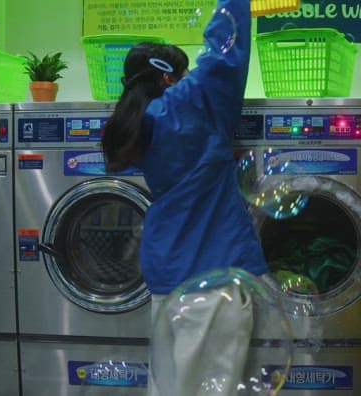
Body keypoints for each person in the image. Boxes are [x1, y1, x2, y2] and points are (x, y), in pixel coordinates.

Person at [101, 0, 267, 394]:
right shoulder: (194, 102)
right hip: (212, 276)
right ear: (168, 78)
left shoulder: (138, 121)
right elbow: (223, 52)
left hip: (167, 269)